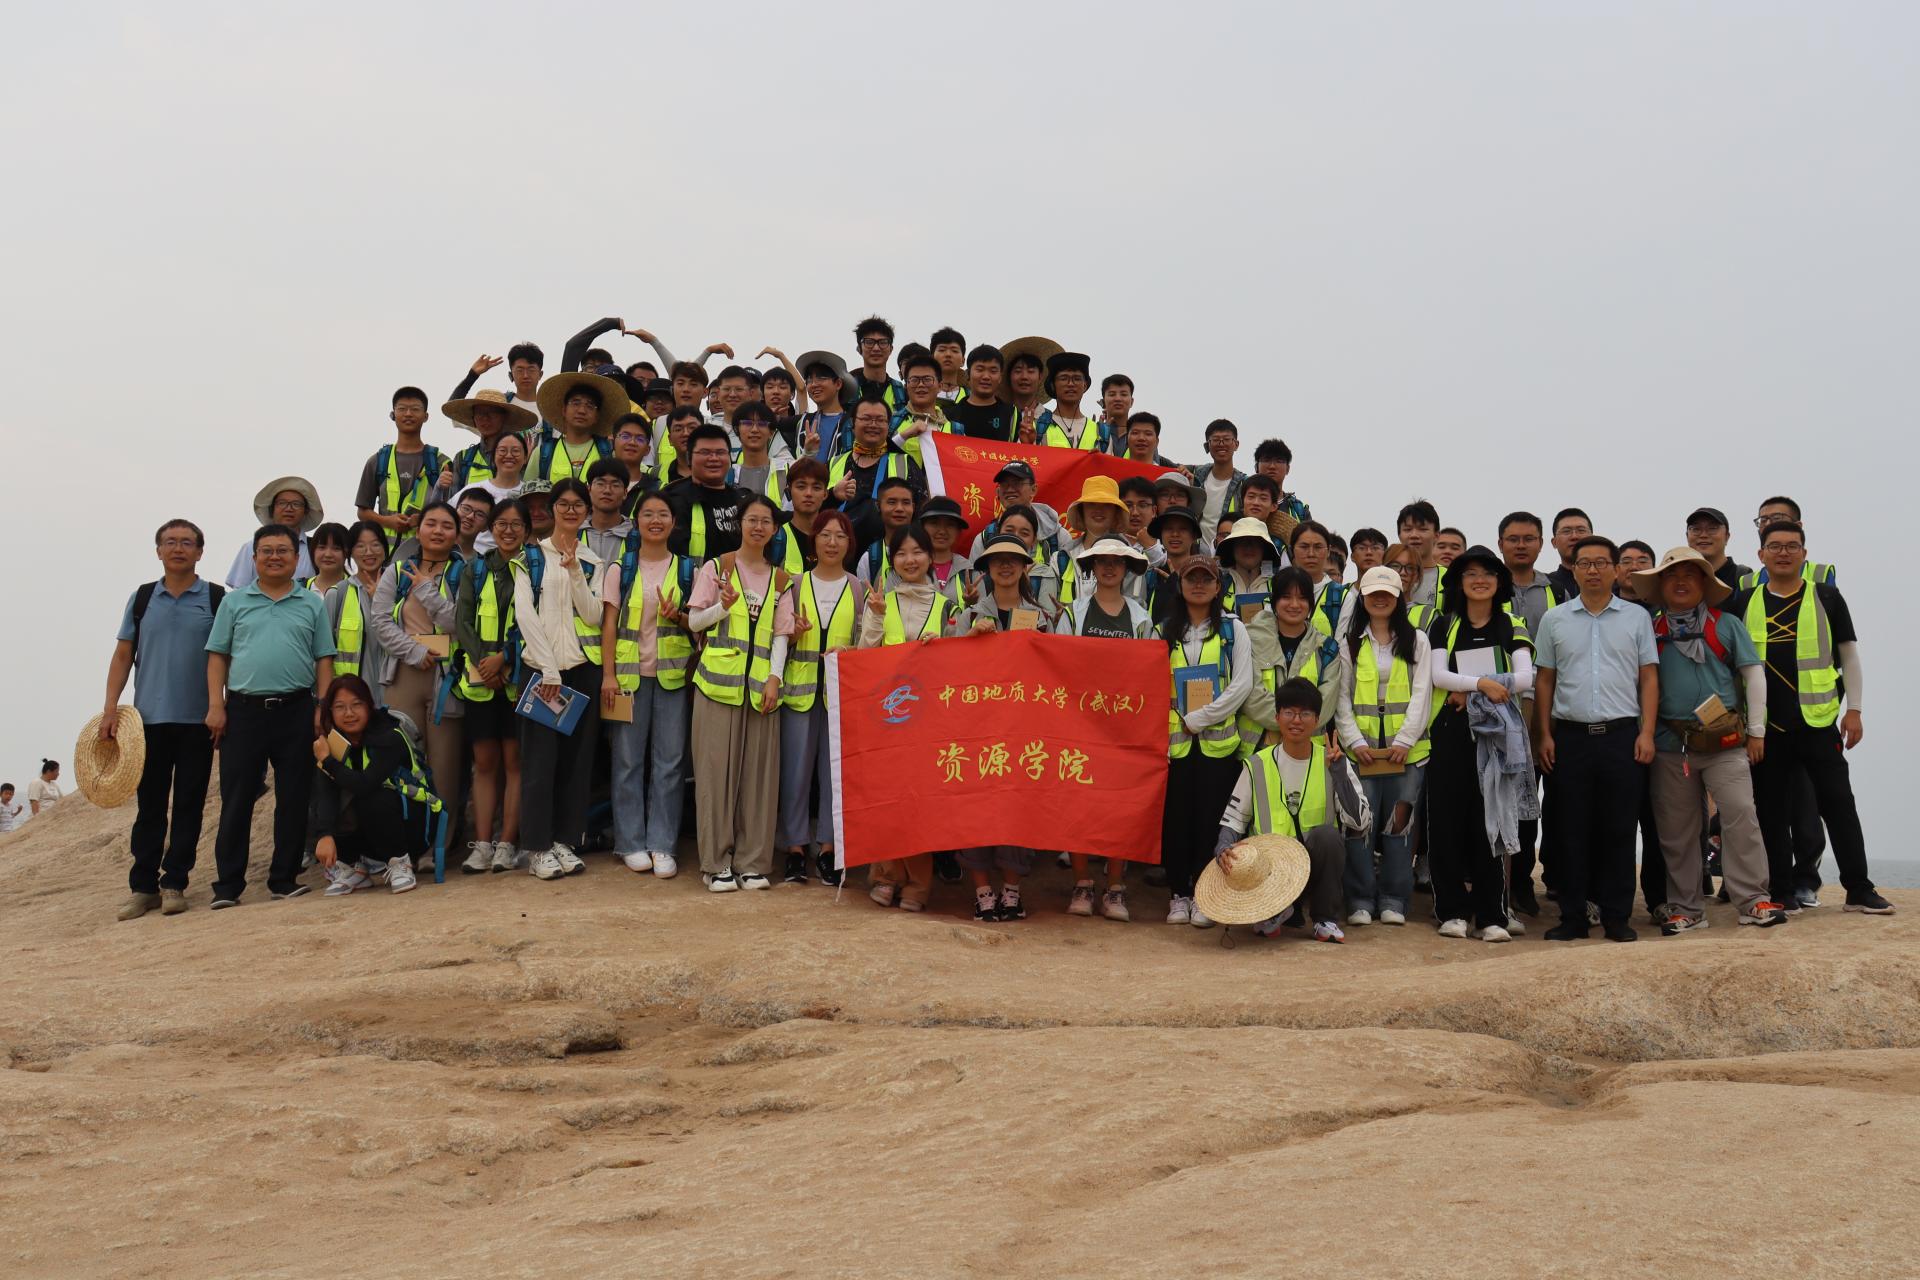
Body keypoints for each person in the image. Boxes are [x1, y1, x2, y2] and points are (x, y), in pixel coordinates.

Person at [1736, 521, 1892, 914]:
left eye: (1792, 546)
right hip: (1766, 729)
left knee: (1839, 805)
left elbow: (1849, 655)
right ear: (1761, 555)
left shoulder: (1826, 597)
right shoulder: (1745, 602)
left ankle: (1859, 889)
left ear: (1804, 554)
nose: (1783, 553)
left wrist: (1854, 710)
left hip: (1819, 723)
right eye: (1775, 546)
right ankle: (1781, 890)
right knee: (1770, 811)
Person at [1631, 547, 1787, 934]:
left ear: (1704, 583)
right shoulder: (1649, 630)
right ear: (1660, 585)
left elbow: (1754, 675)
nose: (1681, 582)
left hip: (1725, 743)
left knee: (1740, 816)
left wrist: (1757, 732)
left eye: (1690, 574)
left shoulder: (1726, 625)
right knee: (1677, 830)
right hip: (1669, 744)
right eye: (1672, 575)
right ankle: (1687, 908)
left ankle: (1753, 900)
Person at [1533, 536, 1659, 942]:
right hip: (1570, 738)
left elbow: (1648, 677)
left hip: (1622, 736)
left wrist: (1647, 732)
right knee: (1570, 828)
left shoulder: (1636, 618)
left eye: (1601, 562)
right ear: (1572, 569)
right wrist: (1544, 734)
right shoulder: (1555, 619)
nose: (1592, 570)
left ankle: (1617, 916)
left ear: (1616, 570)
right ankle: (1573, 916)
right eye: (1584, 563)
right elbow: (1545, 679)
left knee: (1619, 828)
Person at [205, 523, 336, 907]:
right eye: (267, 551)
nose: (275, 557)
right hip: (243, 711)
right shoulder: (234, 603)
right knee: (237, 798)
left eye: (283, 551)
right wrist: (216, 705)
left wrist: (321, 707)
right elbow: (218, 656)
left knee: (293, 797)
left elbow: (323, 659)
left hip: (297, 710)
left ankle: (284, 878)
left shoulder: (311, 603)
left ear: (297, 559)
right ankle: (228, 886)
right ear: (254, 558)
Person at [104, 519, 222, 920]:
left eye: (187, 542)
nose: (178, 548)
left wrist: (219, 707)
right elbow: (123, 655)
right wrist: (110, 709)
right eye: (170, 542)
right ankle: (143, 888)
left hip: (198, 721)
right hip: (147, 722)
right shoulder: (142, 598)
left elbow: (224, 657)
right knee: (150, 807)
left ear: (200, 552)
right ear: (158, 551)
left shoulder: (216, 598)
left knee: (189, 805)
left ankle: (174, 883)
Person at [1423, 546, 1536, 942]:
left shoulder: (1512, 624)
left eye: (1487, 573)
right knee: (1446, 822)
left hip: (1496, 735)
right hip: (1450, 733)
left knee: (1493, 818)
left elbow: (1526, 678)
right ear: (1458, 582)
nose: (1479, 580)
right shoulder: (1444, 624)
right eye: (1470, 573)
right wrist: (1483, 685)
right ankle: (1452, 911)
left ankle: (1491, 915)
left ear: (1499, 581)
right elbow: (1439, 675)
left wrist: (1472, 689)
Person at [688, 494, 794, 893]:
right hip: (717, 686)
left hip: (761, 690)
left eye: (766, 521)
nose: (758, 527)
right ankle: (715, 864)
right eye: (752, 519)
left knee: (759, 781)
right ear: (740, 524)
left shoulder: (782, 579)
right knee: (715, 777)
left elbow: (781, 635)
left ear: (774, 529)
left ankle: (752, 863)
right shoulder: (717, 568)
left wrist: (775, 679)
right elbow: (695, 621)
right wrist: (722, 606)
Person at [1212, 677, 1367, 943]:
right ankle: (1274, 910)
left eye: (1305, 713)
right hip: (1270, 869)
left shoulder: (1333, 761)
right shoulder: (1257, 763)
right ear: (1277, 717)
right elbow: (1233, 821)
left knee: (1328, 837)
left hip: (1313, 867)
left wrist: (1340, 775)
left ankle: (1325, 919)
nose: (1296, 720)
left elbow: (1360, 823)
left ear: (1317, 720)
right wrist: (1223, 847)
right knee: (1240, 850)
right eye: (1289, 712)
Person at [953, 535, 1056, 921]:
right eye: (997, 561)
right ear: (987, 569)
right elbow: (950, 673)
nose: (1006, 566)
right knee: (975, 809)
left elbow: (1055, 673)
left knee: (1018, 807)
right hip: (978, 728)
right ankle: (983, 891)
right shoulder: (969, 616)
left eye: (1014, 559)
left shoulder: (1042, 618)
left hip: (1024, 729)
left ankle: (1012, 891)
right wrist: (970, 641)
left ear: (1026, 566)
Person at [598, 491, 695, 881]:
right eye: (648, 514)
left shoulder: (688, 570)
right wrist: (607, 675)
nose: (656, 520)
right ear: (636, 523)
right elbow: (609, 625)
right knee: (627, 762)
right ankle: (630, 842)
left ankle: (662, 843)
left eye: (663, 514)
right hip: (627, 679)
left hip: (672, 678)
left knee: (670, 763)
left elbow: (699, 624)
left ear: (674, 522)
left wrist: (680, 615)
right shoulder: (620, 570)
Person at [860, 524, 956, 911]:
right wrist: (876, 617)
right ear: (892, 561)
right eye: (901, 553)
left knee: (919, 802)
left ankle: (917, 884)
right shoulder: (880, 601)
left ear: (930, 558)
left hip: (930, 723)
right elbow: (865, 654)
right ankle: (886, 876)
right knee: (886, 797)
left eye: (917, 552)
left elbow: (960, 667)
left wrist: (943, 648)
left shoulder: (947, 606)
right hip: (887, 719)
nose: (910, 560)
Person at [514, 479, 606, 881]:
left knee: (576, 763)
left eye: (578, 505)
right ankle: (537, 847)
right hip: (542, 673)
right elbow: (525, 615)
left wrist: (575, 573)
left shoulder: (593, 561)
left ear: (587, 511)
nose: (571, 510)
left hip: (582, 671)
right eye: (563, 504)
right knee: (539, 764)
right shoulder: (531, 557)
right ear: (552, 509)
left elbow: (594, 615)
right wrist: (548, 670)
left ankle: (565, 840)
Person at [1331, 565, 1433, 927]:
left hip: (1407, 755)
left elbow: (1422, 693)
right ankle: (1360, 899)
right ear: (1363, 598)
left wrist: (1405, 740)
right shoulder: (1350, 643)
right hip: (1362, 755)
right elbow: (1341, 699)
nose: (1379, 599)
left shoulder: (1417, 640)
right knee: (1358, 827)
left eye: (1386, 594)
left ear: (1398, 598)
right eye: (1373, 593)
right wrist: (1354, 741)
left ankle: (1394, 899)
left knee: (1399, 828)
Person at [369, 501, 465, 873]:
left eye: (447, 525)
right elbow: (380, 621)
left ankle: (437, 847)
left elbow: (461, 623)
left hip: (447, 678)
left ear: (457, 533)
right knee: (403, 762)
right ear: (418, 529)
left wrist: (427, 592)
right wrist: (414, 651)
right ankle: (404, 846)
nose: (438, 531)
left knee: (445, 766)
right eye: (431, 523)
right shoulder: (395, 571)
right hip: (404, 673)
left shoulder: (464, 572)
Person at [1160, 557, 1253, 927]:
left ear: (1218, 587)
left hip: (1218, 745)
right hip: (1175, 746)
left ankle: (1204, 893)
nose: (1198, 585)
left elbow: (1241, 685)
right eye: (1191, 578)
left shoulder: (1233, 630)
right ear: (1180, 585)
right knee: (1176, 819)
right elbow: (1150, 684)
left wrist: (1200, 718)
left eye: (1206, 579)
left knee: (1210, 820)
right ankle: (1178, 894)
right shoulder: (1164, 631)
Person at [776, 510, 863, 888]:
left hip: (840, 697)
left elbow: (867, 640)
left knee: (834, 774)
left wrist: (851, 651)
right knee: (795, 772)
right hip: (798, 691)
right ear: (813, 541)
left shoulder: (859, 589)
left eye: (840, 536)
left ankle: (829, 848)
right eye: (825, 535)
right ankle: (795, 847)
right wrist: (793, 633)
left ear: (849, 544)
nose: (832, 542)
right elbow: (779, 637)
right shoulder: (794, 585)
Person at [452, 499, 532, 874]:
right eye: (502, 523)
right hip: (481, 681)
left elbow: (535, 620)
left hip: (517, 680)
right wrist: (486, 662)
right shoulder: (476, 568)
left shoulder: (534, 567)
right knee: (484, 763)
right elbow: (463, 620)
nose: (508, 531)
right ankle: (482, 844)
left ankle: (507, 843)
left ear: (527, 531)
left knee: (515, 762)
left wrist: (505, 658)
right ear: (491, 528)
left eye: (516, 525)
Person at [310, 675, 440, 897]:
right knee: (321, 798)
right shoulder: (333, 742)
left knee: (373, 796)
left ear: (369, 706)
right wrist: (325, 834)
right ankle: (353, 867)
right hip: (372, 833)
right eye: (340, 707)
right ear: (330, 711)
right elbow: (326, 793)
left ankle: (400, 862)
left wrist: (328, 762)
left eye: (356, 704)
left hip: (415, 827)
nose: (349, 713)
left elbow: (366, 784)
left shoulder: (389, 736)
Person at [1235, 566, 1340, 758]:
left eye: (1302, 598)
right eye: (1286, 597)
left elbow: (1325, 707)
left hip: (1308, 753)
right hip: (1257, 751)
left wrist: (1288, 719)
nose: (1294, 604)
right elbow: (1251, 699)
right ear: (1274, 601)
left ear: (1311, 603)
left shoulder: (1326, 649)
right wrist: (1299, 719)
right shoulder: (1249, 640)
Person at [354, 387, 445, 556]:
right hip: (382, 559)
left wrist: (424, 519)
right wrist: (386, 521)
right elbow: (362, 511)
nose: (408, 414)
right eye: (402, 408)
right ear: (393, 415)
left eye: (415, 409)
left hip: (424, 556)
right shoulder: (378, 461)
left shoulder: (440, 463)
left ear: (426, 416)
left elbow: (451, 512)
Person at [829, 399, 926, 551]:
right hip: (838, 554)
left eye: (880, 420)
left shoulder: (905, 463)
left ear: (888, 425)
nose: (873, 425)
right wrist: (833, 495)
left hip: (891, 555)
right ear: (852, 424)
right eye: (866, 419)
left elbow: (920, 514)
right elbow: (815, 511)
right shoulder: (833, 463)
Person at [664, 424, 758, 563]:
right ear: (690, 458)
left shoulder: (744, 500)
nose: (713, 458)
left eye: (720, 452)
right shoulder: (672, 500)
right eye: (705, 452)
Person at [324, 521, 390, 697]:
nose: (369, 552)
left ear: (385, 548)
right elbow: (324, 654)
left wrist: (382, 600)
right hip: (352, 698)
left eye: (375, 544)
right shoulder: (337, 594)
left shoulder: (401, 591)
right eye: (360, 546)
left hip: (396, 695)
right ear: (350, 552)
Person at [436, 388, 538, 498]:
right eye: (480, 413)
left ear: (504, 417)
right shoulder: (463, 458)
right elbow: (453, 500)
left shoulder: (523, 457)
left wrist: (524, 463)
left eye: (492, 412)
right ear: (473, 418)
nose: (485, 418)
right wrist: (440, 487)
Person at [225, 478, 321, 588]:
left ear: (306, 511)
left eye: (296, 504)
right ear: (272, 509)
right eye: (282, 503)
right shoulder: (250, 547)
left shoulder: (315, 549)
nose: (289, 509)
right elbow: (240, 591)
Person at [530, 372, 619, 485]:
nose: (582, 411)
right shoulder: (542, 453)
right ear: (564, 410)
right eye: (576, 403)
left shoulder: (609, 453)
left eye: (590, 406)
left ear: (597, 416)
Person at [1739, 496, 1838, 590]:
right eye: (1763, 520)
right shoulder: (1747, 583)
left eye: (1777, 518)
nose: (1768, 524)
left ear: (1798, 526)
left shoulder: (1820, 575)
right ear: (1760, 555)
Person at [888, 351, 955, 466]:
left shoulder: (955, 430)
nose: (920, 385)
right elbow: (875, 456)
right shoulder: (891, 423)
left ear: (940, 386)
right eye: (914, 380)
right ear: (906, 386)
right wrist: (904, 436)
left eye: (927, 379)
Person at [793, 350, 855, 460]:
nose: (814, 384)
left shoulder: (852, 423)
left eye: (821, 378)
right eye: (809, 380)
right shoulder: (804, 422)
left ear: (838, 384)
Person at [945, 345, 1015, 442]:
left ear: (1000, 377)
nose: (986, 376)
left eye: (993, 371)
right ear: (968, 374)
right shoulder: (949, 415)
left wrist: (1027, 442)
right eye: (980, 370)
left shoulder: (1012, 415)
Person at [1186, 419, 1246, 530]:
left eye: (1227, 439)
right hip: (1195, 541)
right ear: (1207, 445)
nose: (1221, 444)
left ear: (1236, 444)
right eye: (1215, 440)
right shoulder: (1194, 474)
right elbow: (1162, 463)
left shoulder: (1244, 484)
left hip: (1229, 541)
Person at [1037, 352, 1105, 450]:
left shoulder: (1100, 432)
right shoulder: (1037, 428)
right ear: (1053, 385)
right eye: (1064, 378)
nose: (1070, 384)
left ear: (1085, 385)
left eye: (1077, 379)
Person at [730, 401, 790, 502]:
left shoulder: (787, 470)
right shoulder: (728, 476)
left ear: (771, 432)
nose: (754, 429)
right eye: (747, 423)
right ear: (737, 430)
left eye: (761, 424)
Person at [1250, 439, 1311, 535]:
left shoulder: (1298, 510)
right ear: (1256, 467)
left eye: (1279, 461)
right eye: (1266, 460)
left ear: (1288, 469)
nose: (1272, 466)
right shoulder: (1243, 501)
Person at [582, 460, 635, 565]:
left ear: (625, 493)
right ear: (589, 489)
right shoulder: (574, 532)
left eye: (615, 485)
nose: (607, 490)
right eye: (600, 484)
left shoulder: (636, 534)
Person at [1684, 507, 1750, 592]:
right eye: (1696, 529)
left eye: (1712, 528)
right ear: (1687, 536)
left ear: (1727, 536)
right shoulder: (1678, 580)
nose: (1703, 535)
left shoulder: (1745, 577)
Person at [851, 315, 905, 412]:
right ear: (859, 348)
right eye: (869, 342)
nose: (876, 348)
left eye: (883, 342)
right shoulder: (846, 390)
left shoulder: (902, 394)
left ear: (891, 349)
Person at [1394, 501, 1441, 606]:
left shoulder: (1448, 578)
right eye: (1407, 529)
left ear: (1436, 535)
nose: (1414, 535)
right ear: (1399, 535)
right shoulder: (1386, 574)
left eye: (1423, 529)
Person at [1545, 508, 1593, 600]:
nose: (1574, 536)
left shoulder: (1611, 582)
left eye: (1581, 530)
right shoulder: (1544, 585)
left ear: (1593, 539)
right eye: (1566, 531)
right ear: (1554, 542)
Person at [1613, 540, 1659, 615]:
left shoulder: (1668, 609)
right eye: (1626, 562)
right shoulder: (1601, 606)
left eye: (1642, 562)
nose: (1634, 567)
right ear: (1615, 570)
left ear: (1654, 568)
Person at [304, 523, 350, 595]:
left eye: (336, 548)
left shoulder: (359, 590)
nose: (328, 554)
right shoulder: (298, 588)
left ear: (347, 552)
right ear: (313, 550)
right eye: (322, 547)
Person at [929, 325, 968, 400]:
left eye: (954, 351)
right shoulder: (921, 393)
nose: (948, 354)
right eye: (942, 350)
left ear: (963, 361)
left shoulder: (971, 396)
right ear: (932, 358)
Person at [453, 487, 494, 560]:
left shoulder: (483, 565)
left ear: (486, 526)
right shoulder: (432, 549)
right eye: (466, 509)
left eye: (479, 514)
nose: (470, 516)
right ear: (456, 509)